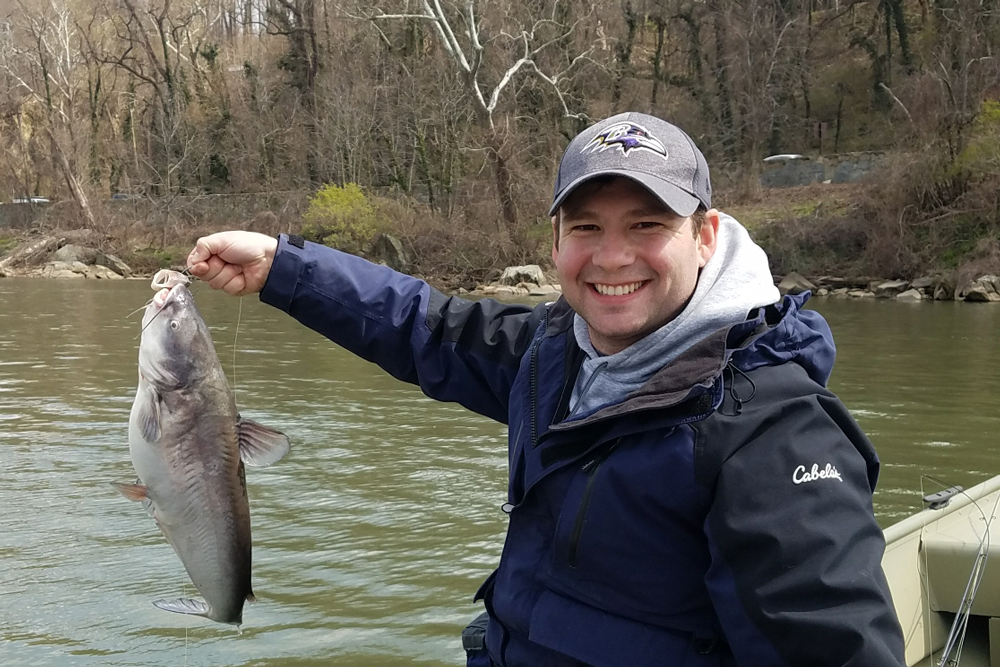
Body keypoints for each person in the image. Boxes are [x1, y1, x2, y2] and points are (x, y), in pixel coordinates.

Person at [187, 112, 906, 666]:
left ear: (707, 235)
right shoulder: (554, 353)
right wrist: (283, 269)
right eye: (586, 225)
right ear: (556, 239)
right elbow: (423, 325)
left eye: (648, 224)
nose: (612, 255)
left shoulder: (773, 433)